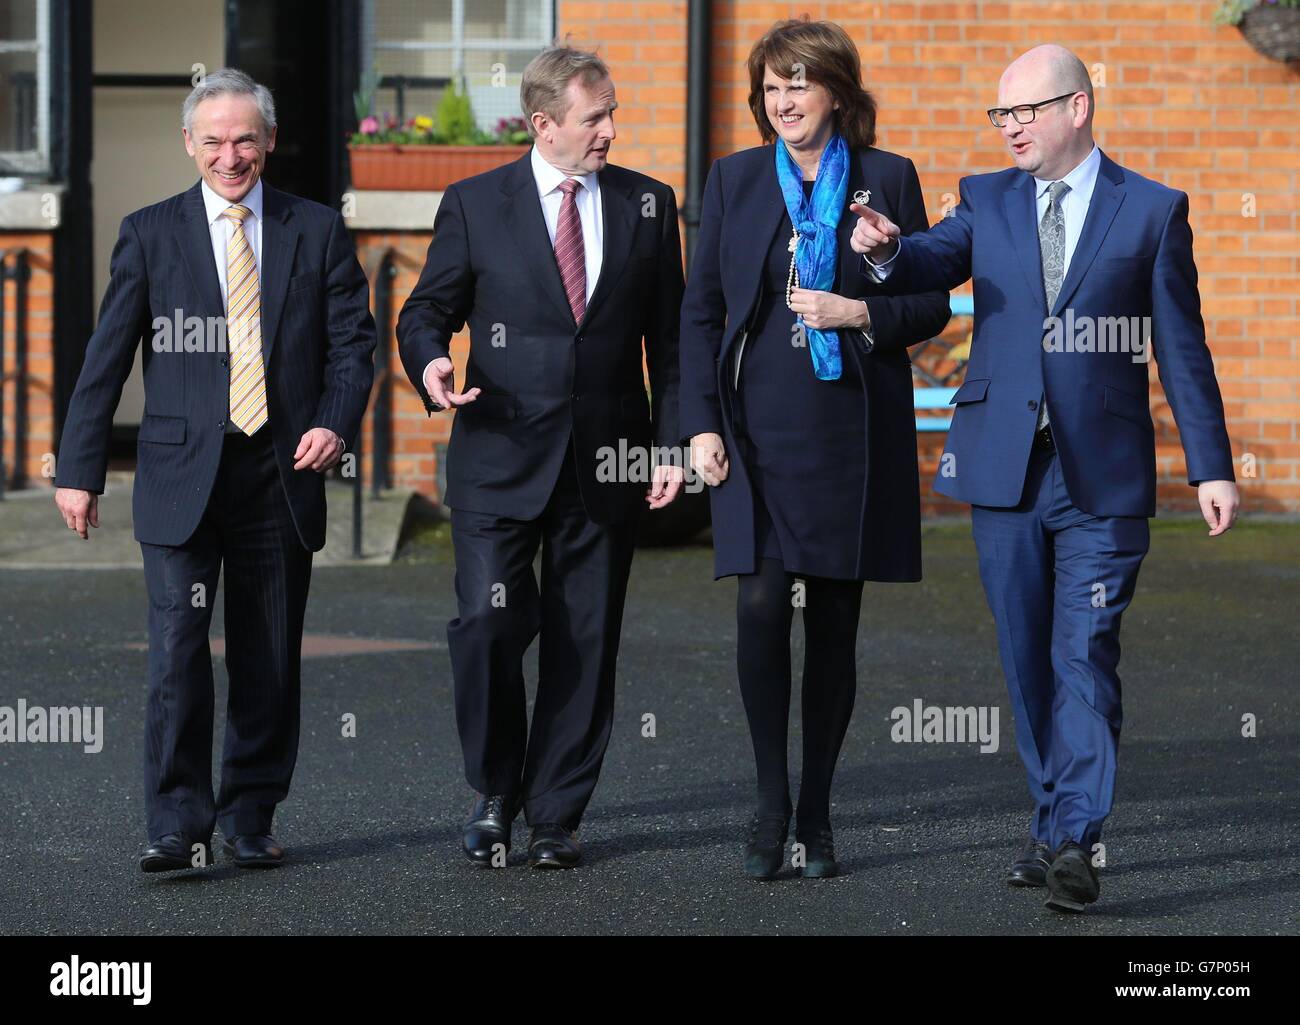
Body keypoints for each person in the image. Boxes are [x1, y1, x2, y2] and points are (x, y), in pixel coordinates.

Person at [851, 44, 1239, 912]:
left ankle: (1076, 838)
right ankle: (1048, 819)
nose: (1011, 127)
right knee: (1028, 656)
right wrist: (882, 251)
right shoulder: (986, 198)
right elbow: (926, 261)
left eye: (1026, 111)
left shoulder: (1151, 210)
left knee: (1084, 653)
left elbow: (1182, 348)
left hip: (1102, 475)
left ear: (1078, 107)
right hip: (1004, 465)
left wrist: (1210, 465)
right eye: (1001, 114)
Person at [53, 69, 377, 872]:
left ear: (267, 140)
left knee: (268, 652)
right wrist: (79, 467)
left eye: (244, 139)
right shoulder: (149, 232)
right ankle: (175, 822)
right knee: (176, 648)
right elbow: (107, 359)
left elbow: (353, 346)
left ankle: (251, 813)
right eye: (213, 141)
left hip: (280, 470)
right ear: (189, 145)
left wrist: (336, 423)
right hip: (179, 475)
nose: (229, 155)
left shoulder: (316, 229)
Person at [397, 46, 684, 870]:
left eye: (613, 113)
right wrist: (432, 362)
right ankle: (495, 789)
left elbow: (669, 343)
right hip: (498, 452)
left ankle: (556, 812)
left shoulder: (649, 205)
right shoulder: (476, 203)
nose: (611, 131)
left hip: (609, 456)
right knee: (488, 621)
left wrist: (669, 443)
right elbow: (424, 311)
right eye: (596, 117)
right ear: (544, 122)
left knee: (584, 638)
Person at [679, 18, 950, 880]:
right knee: (761, 608)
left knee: (833, 620)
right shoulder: (732, 180)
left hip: (849, 429)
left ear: (836, 91)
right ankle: (768, 804)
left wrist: (865, 300)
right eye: (771, 87)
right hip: (756, 425)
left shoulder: (889, 179)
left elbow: (932, 304)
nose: (783, 100)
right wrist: (699, 425)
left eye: (799, 84)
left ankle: (817, 813)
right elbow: (702, 312)